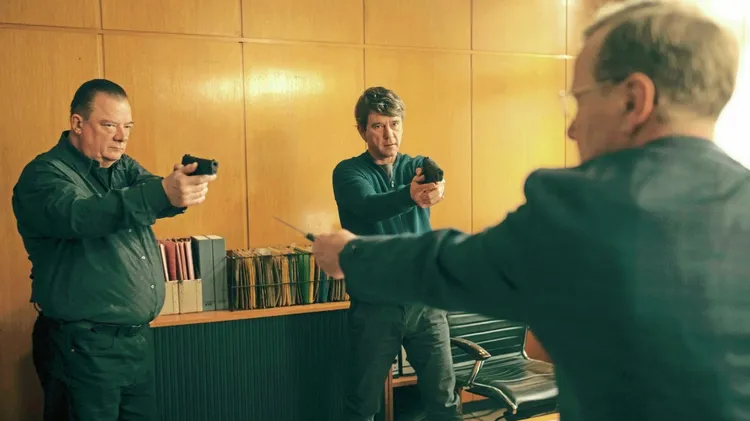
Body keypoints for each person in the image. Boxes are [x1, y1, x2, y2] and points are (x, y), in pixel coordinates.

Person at [312, 2, 750, 420]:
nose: (572, 127)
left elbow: (455, 265)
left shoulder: (578, 207)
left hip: (417, 303)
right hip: (380, 309)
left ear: (634, 101)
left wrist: (350, 253)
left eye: (579, 100)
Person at [12, 78, 217, 421]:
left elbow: (150, 192)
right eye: (109, 125)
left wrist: (178, 187)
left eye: (128, 127)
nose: (121, 136)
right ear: (77, 123)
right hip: (82, 346)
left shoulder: (121, 166)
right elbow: (83, 215)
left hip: (135, 343)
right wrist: (161, 193)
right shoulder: (43, 175)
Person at [332, 86, 460, 421]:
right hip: (376, 305)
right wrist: (411, 196)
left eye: (395, 124)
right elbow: (368, 205)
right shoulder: (348, 172)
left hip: (425, 302)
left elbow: (433, 178)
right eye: (378, 126)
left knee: (444, 401)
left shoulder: (415, 166)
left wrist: (437, 187)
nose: (389, 135)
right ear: (362, 130)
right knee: (362, 405)